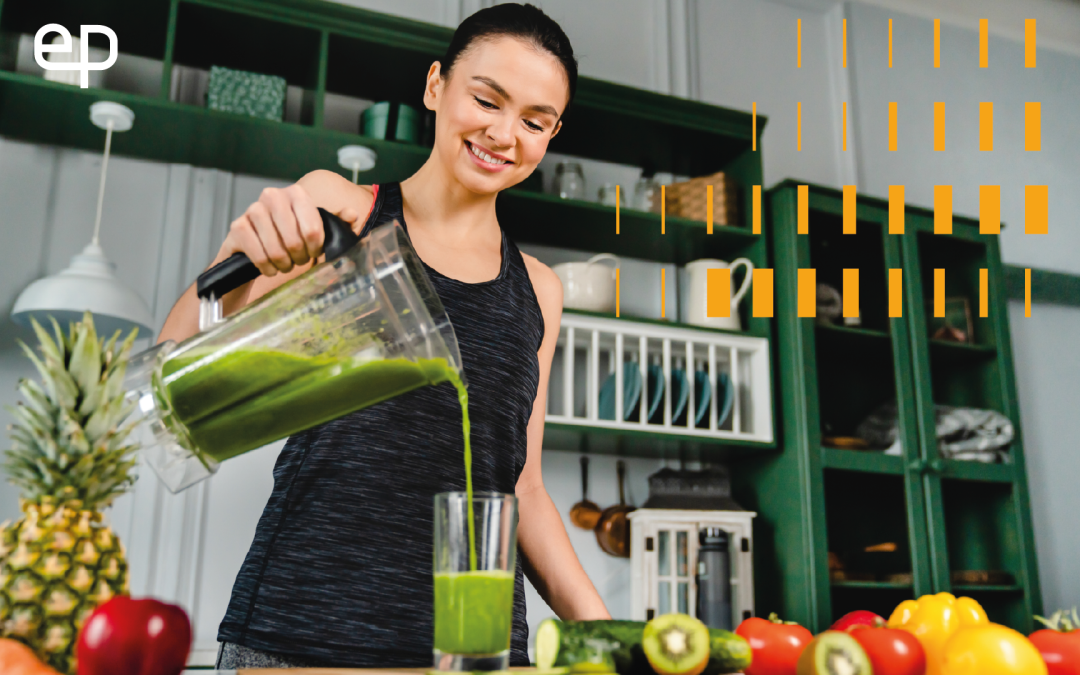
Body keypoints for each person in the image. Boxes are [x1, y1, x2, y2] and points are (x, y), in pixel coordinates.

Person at [157, 3, 611, 669]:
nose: (505, 133)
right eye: (487, 99)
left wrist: (610, 633)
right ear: (436, 86)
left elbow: (524, 490)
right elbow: (178, 377)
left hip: (473, 650)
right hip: (301, 636)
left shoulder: (539, 289)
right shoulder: (342, 213)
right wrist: (236, 259)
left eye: (534, 121)